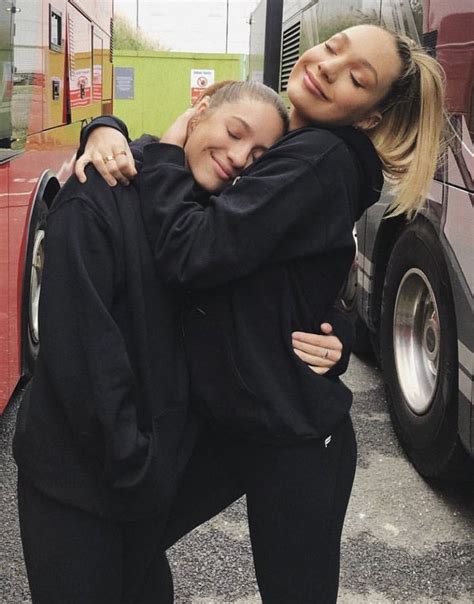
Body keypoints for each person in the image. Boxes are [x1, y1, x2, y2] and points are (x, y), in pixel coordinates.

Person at [79, 24, 445, 602]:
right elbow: (302, 274)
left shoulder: (318, 158)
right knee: (124, 544)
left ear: (370, 116)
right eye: (334, 46)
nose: (328, 64)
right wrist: (105, 127)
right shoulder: (281, 141)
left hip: (293, 438)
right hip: (230, 421)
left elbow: (192, 252)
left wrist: (167, 151)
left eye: (357, 77)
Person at [13, 81, 347, 604]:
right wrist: (141, 468)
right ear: (200, 111)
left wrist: (337, 339)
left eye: (258, 155)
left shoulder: (218, 223)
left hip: (147, 482)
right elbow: (82, 357)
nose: (239, 158)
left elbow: (286, 302)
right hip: (75, 486)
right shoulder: (98, 190)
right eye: (234, 133)